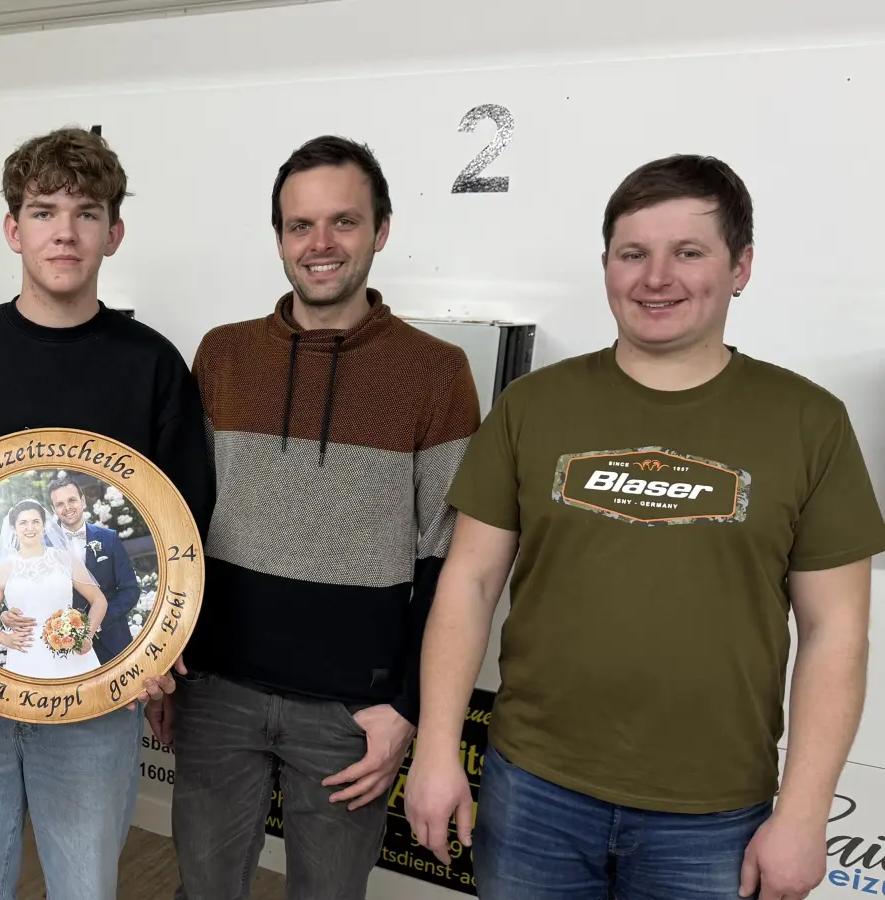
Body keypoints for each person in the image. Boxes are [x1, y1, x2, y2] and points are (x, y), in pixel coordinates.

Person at [404, 154, 885, 900]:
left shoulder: (808, 423)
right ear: (607, 267)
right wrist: (436, 748)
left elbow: (837, 635)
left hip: (713, 814)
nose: (656, 277)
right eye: (633, 254)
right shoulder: (534, 407)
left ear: (741, 267)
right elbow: (467, 583)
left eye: (688, 252)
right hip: (534, 791)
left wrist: (804, 813)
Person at [0, 125, 214, 900]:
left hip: (99, 691)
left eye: (86, 211)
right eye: (42, 211)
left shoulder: (153, 365)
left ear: (114, 231)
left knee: (84, 888)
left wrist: (154, 650)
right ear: (12, 229)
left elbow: (182, 531)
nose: (64, 231)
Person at [167, 135, 480, 900]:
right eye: (300, 225)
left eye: (343, 222)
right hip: (216, 695)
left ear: (382, 230)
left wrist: (406, 707)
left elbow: (449, 559)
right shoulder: (223, 354)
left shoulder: (437, 372)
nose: (321, 244)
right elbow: (176, 525)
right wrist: (166, 663)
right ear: (278, 237)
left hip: (352, 716)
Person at [0, 474, 141, 666]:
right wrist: (5, 615)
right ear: (53, 509)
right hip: (59, 645)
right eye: (60, 504)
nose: (67, 508)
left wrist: (92, 625)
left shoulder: (109, 539)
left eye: (72, 500)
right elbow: (23, 585)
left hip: (111, 638)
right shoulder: (40, 544)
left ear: (82, 500)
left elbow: (130, 590)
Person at [0, 498, 108, 679]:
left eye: (36, 522)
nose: (30, 528)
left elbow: (99, 600)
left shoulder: (64, 559)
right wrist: (6, 639)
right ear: (14, 528)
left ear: (44, 526)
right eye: (23, 523)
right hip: (27, 657)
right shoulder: (4, 568)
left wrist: (86, 636)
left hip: (70, 651)